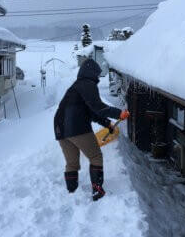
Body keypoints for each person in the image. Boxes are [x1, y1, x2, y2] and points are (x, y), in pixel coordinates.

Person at [54, 58, 129, 200]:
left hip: (60, 128)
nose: (98, 77)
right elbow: (98, 107)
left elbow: (92, 112)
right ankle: (97, 190)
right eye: (97, 74)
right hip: (76, 127)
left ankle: (71, 193)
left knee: (72, 163)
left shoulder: (76, 87)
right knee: (95, 156)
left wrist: (107, 124)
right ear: (91, 72)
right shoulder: (87, 84)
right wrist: (118, 113)